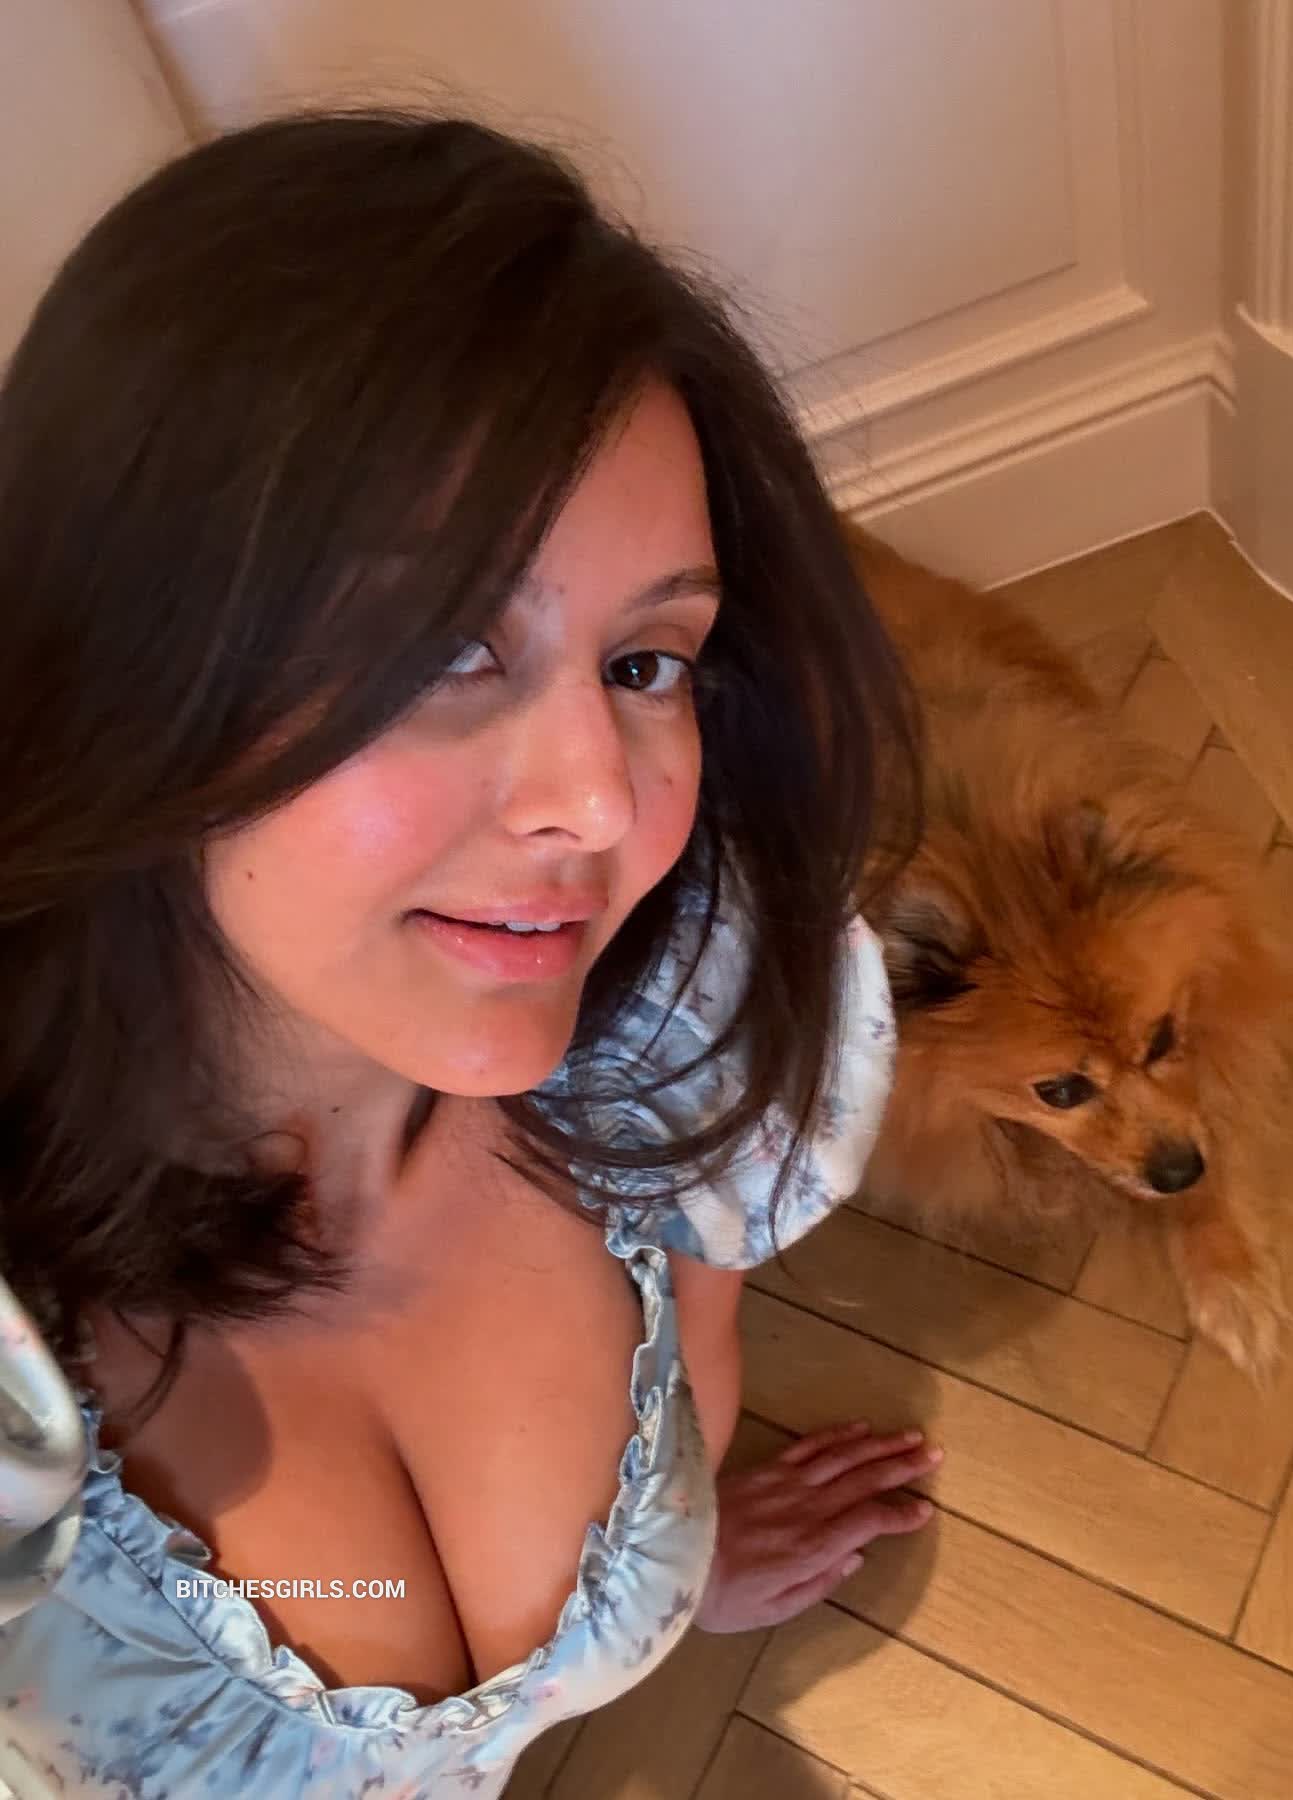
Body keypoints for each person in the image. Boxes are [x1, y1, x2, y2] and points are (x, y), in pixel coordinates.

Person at [0, 112, 938, 1794]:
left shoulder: (675, 1025)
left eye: (647, 662)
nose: (602, 804)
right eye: (441, 646)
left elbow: (694, 1376)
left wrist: (667, 1575)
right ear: (124, 664)